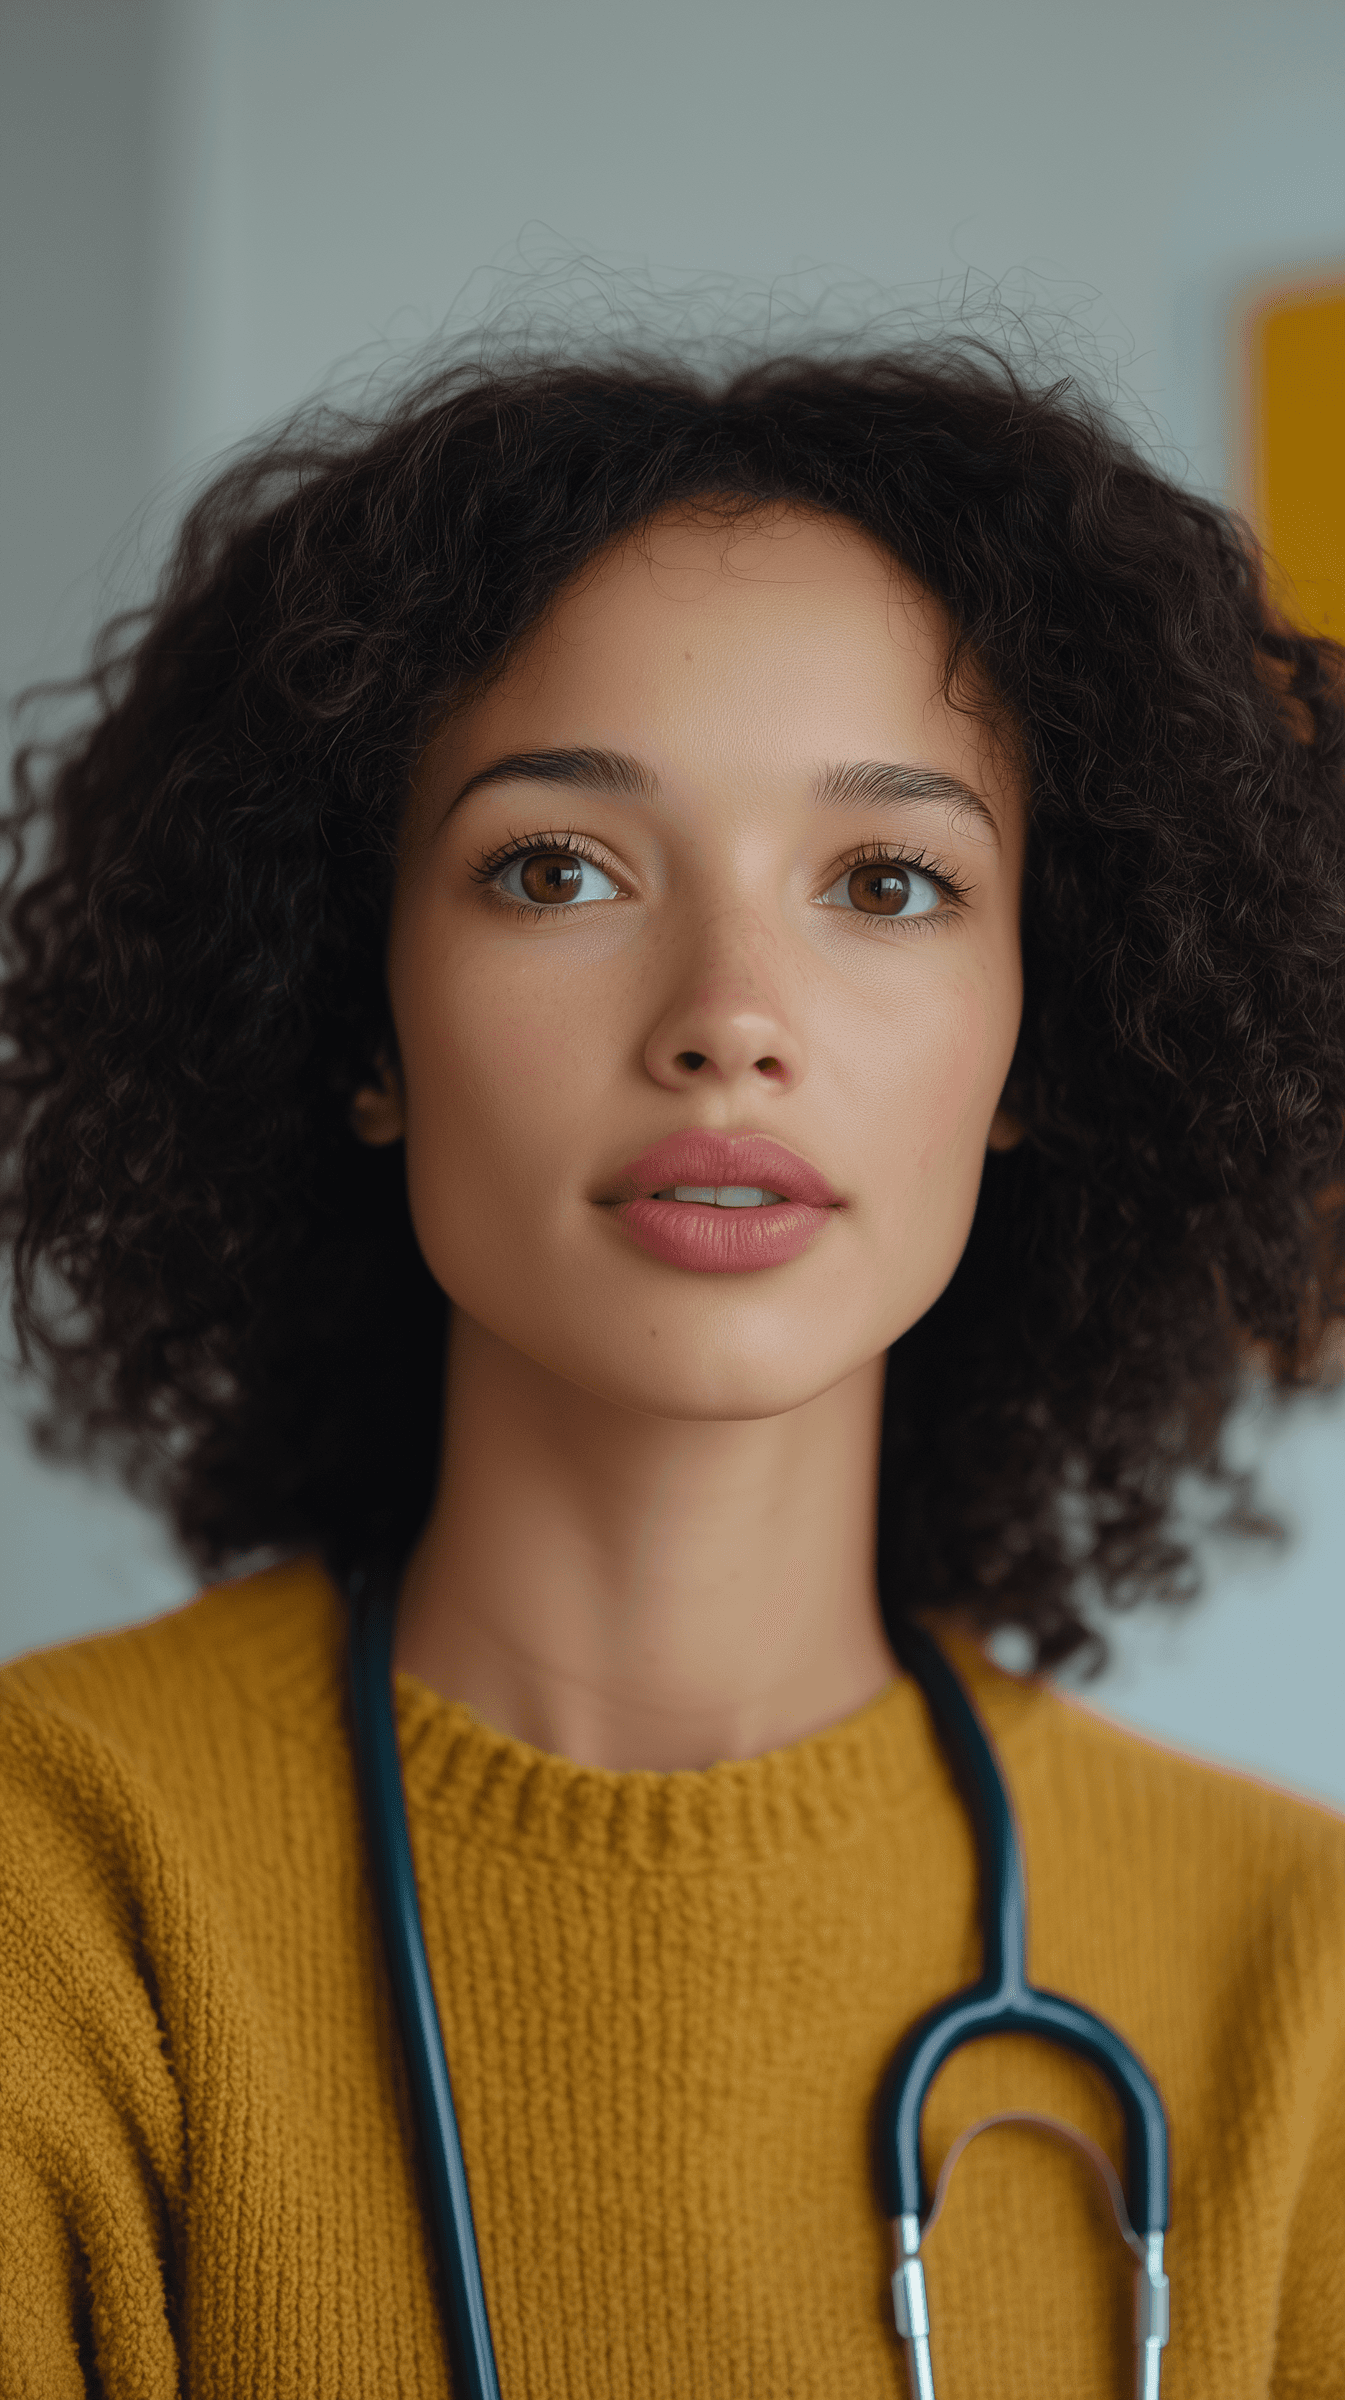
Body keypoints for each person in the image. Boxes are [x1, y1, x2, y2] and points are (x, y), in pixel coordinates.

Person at [1, 338, 1343, 2400]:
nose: (730, 1017)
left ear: (1035, 1042)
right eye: (560, 868)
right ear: (358, 1019)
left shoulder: (1297, 1974)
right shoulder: (56, 1882)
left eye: (888, 882)